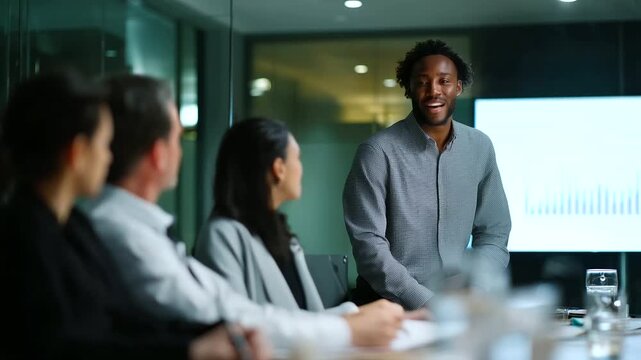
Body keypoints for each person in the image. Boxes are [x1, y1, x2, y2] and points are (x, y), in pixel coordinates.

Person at [87, 74, 405, 352]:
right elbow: (234, 318)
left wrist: (357, 317)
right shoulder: (123, 232)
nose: (181, 151)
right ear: (158, 153)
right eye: (177, 138)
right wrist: (349, 328)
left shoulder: (137, 229)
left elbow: (234, 307)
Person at [0, 70, 267, 360]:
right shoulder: (22, 236)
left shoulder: (74, 226)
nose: (109, 157)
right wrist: (190, 349)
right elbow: (63, 347)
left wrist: (215, 333)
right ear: (76, 152)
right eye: (103, 145)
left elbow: (125, 316)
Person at [343, 39, 511, 310]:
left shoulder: (480, 147)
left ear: (458, 87)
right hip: (387, 309)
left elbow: (494, 232)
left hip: (458, 310)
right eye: (422, 82)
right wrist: (427, 303)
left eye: (444, 81)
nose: (434, 91)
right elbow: (368, 245)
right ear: (409, 88)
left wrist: (475, 288)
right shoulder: (377, 152)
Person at [194, 117, 355, 314]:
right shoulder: (222, 236)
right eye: (297, 158)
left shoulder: (282, 237)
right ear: (278, 168)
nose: (300, 168)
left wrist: (355, 314)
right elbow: (241, 325)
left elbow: (310, 319)